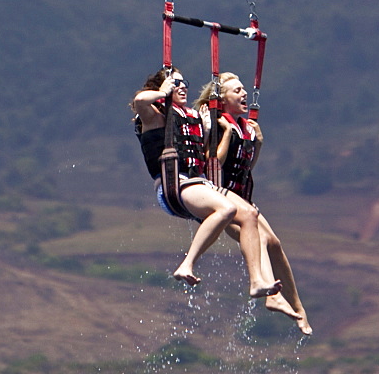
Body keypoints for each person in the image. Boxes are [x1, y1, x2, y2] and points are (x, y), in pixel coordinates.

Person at [132, 67, 283, 297]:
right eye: (176, 83)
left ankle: (257, 282)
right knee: (227, 209)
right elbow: (140, 100)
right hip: (174, 186)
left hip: (199, 183)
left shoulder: (189, 118)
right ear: (164, 88)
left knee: (248, 214)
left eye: (184, 83)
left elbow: (204, 158)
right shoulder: (155, 117)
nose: (182, 86)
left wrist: (209, 129)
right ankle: (187, 264)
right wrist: (163, 90)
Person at [196, 72, 312, 336]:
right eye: (237, 91)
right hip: (221, 198)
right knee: (257, 237)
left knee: (275, 243)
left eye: (244, 89)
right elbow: (214, 163)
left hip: (243, 197)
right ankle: (270, 292)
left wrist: (257, 144)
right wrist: (225, 134)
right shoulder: (217, 124)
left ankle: (298, 306)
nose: (244, 93)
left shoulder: (245, 127)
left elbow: (245, 168)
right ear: (222, 99)